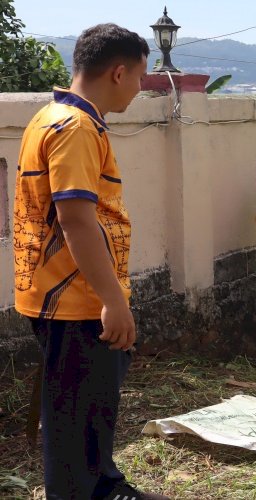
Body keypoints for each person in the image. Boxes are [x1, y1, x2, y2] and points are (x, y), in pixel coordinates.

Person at [13, 24, 169, 500]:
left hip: (68, 292)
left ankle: (104, 483)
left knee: (88, 409)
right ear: (118, 72)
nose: (141, 88)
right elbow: (77, 219)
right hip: (75, 297)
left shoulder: (55, 117)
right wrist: (113, 300)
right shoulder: (75, 128)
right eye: (141, 77)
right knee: (74, 415)